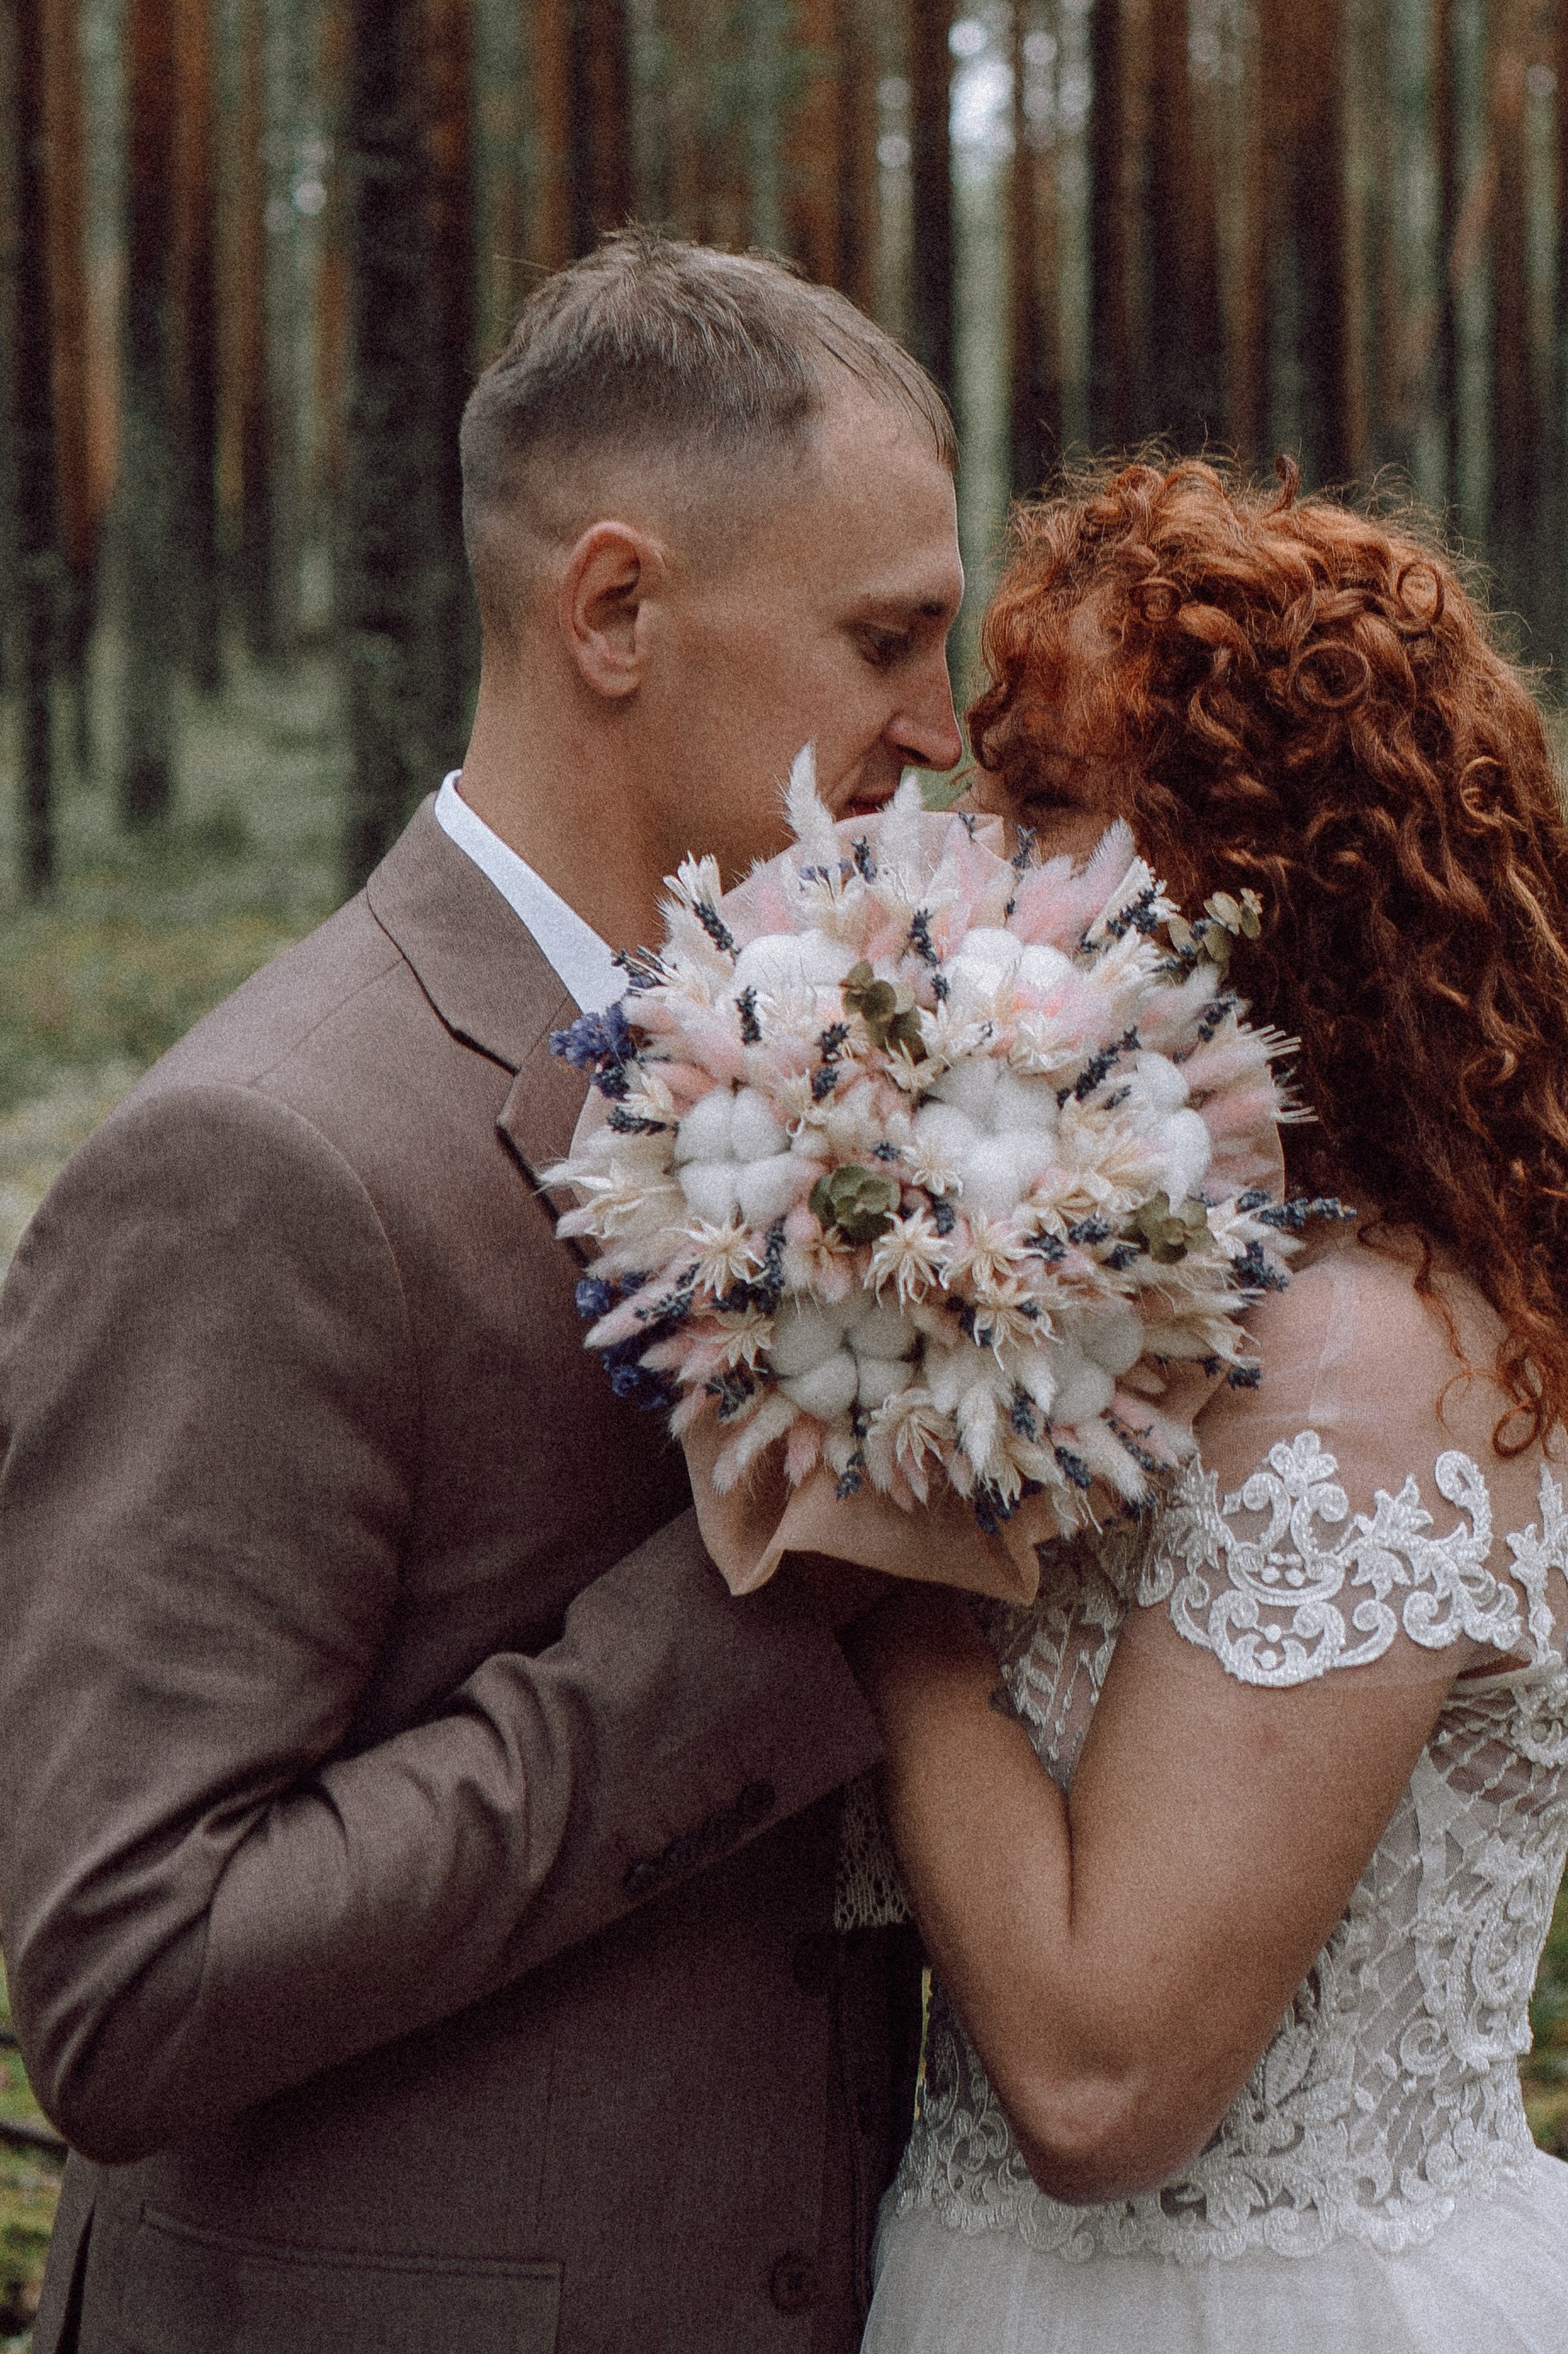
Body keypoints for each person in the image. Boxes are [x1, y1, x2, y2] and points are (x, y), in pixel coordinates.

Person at [0, 233, 963, 2354]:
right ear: (614, 610)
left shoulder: (848, 1072)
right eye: (885, 638)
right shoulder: (261, 1165)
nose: (938, 725)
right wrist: (763, 1624)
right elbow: (123, 1981)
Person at [853, 459, 1568, 2354]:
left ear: (1260, 873)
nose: (971, 860)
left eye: (1041, 802)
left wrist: (875, 1555)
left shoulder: (1350, 1374)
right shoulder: (1176, 1288)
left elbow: (1095, 2085)